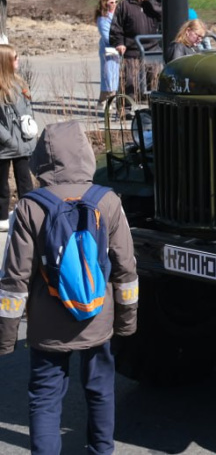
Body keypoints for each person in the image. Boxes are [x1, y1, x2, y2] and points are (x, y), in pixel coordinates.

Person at [0, 120, 138, 455]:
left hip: (48, 326)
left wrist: (6, 338)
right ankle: (100, 450)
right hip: (97, 317)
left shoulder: (30, 207)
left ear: (40, 162)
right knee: (100, 390)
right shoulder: (107, 201)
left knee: (45, 398)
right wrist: (126, 323)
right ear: (87, 156)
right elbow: (126, 269)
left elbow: (14, 280)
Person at [0, 45, 35, 233]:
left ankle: (27, 215)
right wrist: (9, 141)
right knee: (2, 185)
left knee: (25, 182)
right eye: (15, 57)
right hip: (4, 147)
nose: (18, 60)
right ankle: (2, 218)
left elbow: (28, 110)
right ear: (6, 62)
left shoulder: (20, 83)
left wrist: (30, 132)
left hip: (22, 144)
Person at [109, 0, 162, 101]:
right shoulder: (124, 4)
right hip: (132, 49)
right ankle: (126, 108)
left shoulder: (154, 2)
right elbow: (116, 27)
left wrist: (150, 0)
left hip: (151, 48)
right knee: (129, 80)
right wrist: (119, 43)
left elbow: (161, 14)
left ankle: (152, 107)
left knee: (154, 79)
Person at [94, 0, 120, 107]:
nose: (114, 4)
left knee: (112, 78)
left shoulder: (117, 15)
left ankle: (101, 102)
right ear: (105, 4)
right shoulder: (103, 19)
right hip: (109, 51)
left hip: (118, 51)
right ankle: (108, 104)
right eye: (111, 2)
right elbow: (107, 37)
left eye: (115, 2)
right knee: (109, 78)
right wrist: (120, 43)